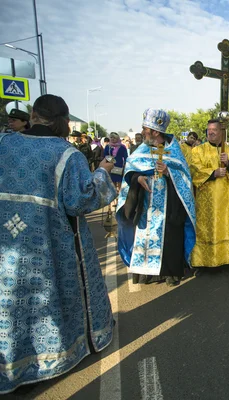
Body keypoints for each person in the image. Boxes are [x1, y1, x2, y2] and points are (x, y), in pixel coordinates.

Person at [0, 94, 117, 394]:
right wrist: (103, 171)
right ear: (64, 121)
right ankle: (53, 357)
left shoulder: (3, 144)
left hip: (6, 246)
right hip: (49, 245)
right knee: (48, 297)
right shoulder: (65, 154)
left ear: (34, 115)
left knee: (10, 301)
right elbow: (82, 199)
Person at [116, 109, 196, 287]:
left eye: (145, 129)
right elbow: (131, 171)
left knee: (169, 237)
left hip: (170, 204)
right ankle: (146, 273)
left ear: (156, 132)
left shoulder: (174, 150)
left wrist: (168, 171)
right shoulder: (141, 150)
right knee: (144, 235)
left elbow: (185, 177)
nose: (143, 131)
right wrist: (138, 178)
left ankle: (169, 273)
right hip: (146, 205)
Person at [189, 119, 229, 269]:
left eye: (214, 129)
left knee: (225, 228)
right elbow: (193, 168)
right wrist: (213, 173)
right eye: (209, 130)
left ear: (222, 132)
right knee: (206, 228)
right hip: (206, 200)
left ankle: (226, 258)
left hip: (225, 199)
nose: (211, 132)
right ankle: (204, 261)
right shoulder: (198, 150)